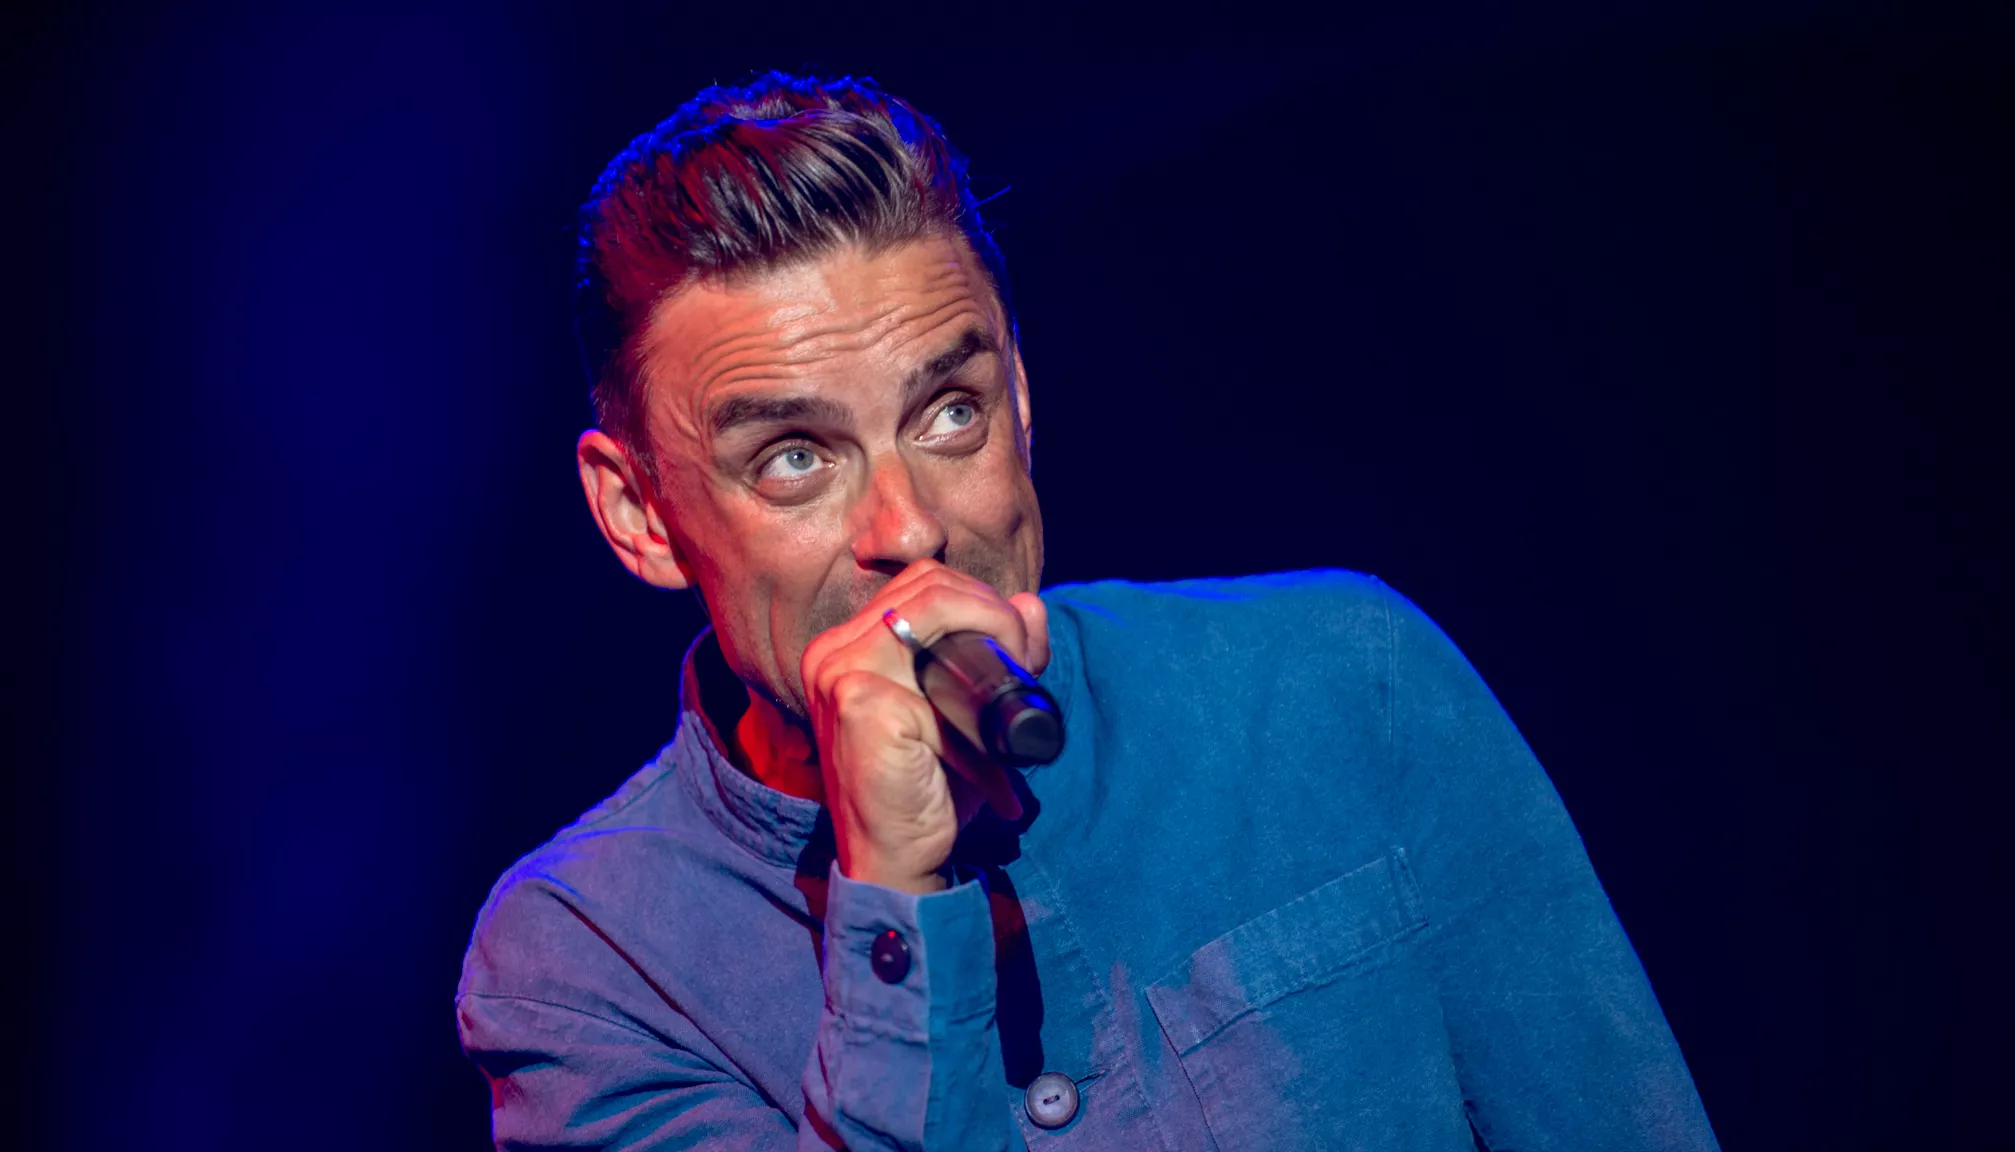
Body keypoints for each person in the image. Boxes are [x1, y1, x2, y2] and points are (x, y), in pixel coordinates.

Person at [454, 72, 1718, 1151]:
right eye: (794, 457)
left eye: (948, 412)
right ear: (639, 514)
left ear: (1019, 399)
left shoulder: (1341, 683)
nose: (907, 526)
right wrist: (893, 893)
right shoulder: (587, 962)